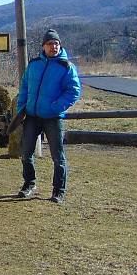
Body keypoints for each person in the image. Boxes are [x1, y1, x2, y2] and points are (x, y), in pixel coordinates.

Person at [16, 29, 81, 204]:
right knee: (25, 152)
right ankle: (29, 184)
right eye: (50, 43)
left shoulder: (66, 67)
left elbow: (74, 91)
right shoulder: (34, 64)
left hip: (53, 118)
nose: (54, 46)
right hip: (32, 116)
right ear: (43, 46)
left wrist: (56, 107)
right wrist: (20, 108)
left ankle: (58, 191)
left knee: (57, 156)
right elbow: (24, 88)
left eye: (56, 43)